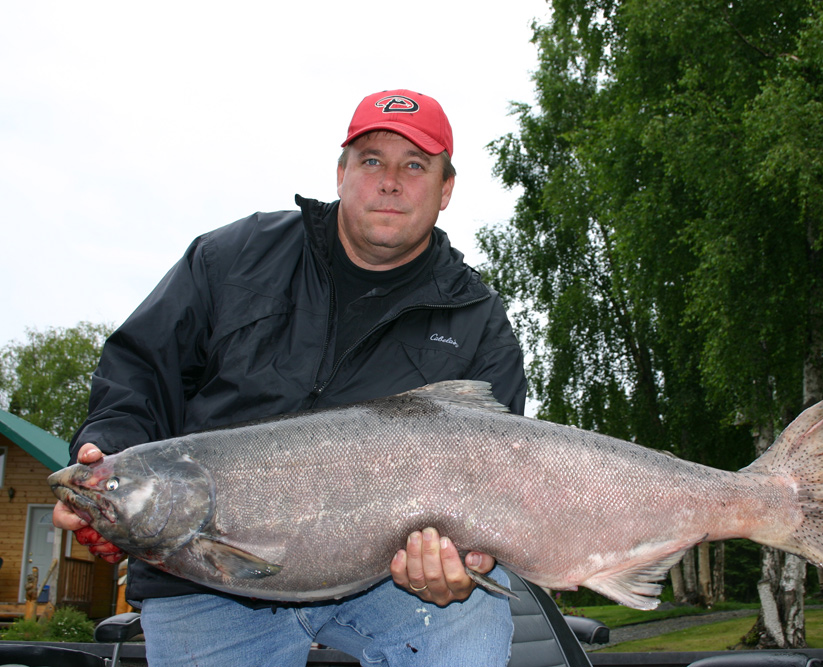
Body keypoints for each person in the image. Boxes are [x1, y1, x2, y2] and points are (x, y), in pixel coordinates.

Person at [52, 89, 526, 666]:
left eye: (415, 165)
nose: (390, 181)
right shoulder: (231, 257)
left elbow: (500, 481)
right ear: (341, 173)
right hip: (206, 582)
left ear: (446, 188)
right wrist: (112, 469)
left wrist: (464, 561)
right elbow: (141, 371)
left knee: (470, 625)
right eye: (372, 160)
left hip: (393, 585)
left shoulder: (479, 321)